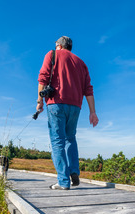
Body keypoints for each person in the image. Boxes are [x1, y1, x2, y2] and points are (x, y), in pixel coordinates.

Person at [37, 36, 99, 190]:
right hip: (75, 107)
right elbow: (88, 90)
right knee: (70, 138)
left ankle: (63, 181)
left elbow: (43, 79)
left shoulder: (52, 54)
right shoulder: (81, 63)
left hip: (56, 103)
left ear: (59, 46)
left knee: (57, 141)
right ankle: (74, 171)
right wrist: (93, 112)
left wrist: (39, 101)